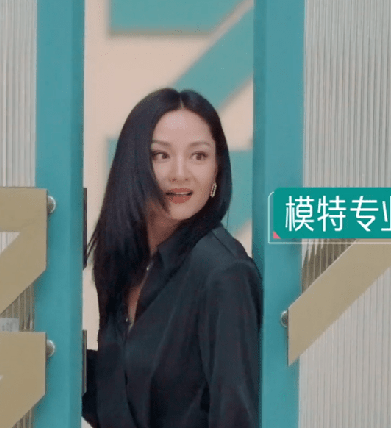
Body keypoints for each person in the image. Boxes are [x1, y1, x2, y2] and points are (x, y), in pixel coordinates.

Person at [83, 88, 262, 428]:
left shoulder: (224, 274)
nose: (180, 173)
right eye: (161, 155)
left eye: (199, 156)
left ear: (217, 169)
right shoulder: (123, 261)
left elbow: (236, 419)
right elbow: (122, 398)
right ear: (133, 165)